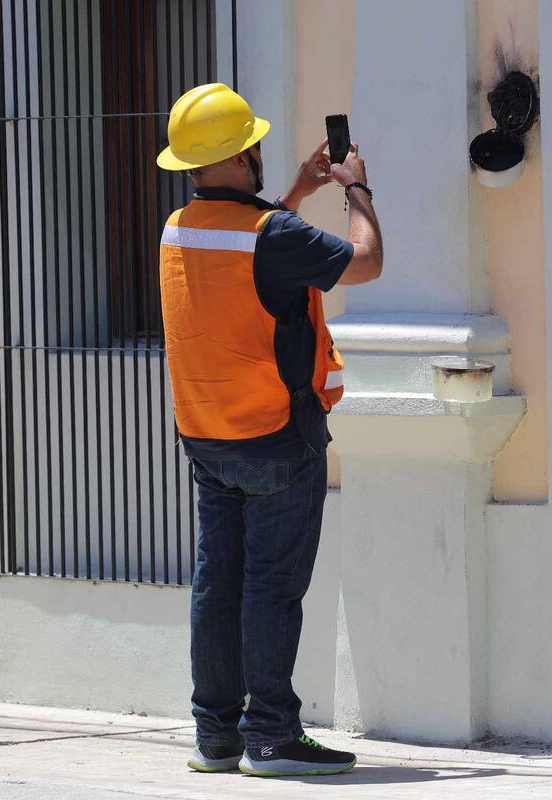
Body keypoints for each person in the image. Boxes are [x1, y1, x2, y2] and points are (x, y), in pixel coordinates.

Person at [155, 83, 382, 777]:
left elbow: (250, 253)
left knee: (216, 586)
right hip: (277, 437)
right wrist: (357, 192)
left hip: (206, 438)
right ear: (242, 151)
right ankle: (274, 738)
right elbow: (366, 260)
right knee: (271, 589)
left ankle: (216, 737)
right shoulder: (271, 236)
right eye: (253, 142)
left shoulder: (180, 227)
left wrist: (296, 189)